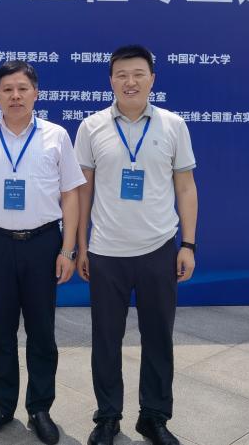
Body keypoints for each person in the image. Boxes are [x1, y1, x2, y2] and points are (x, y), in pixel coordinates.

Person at [74, 45, 199, 445]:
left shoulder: (173, 125)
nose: (130, 82)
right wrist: (81, 246)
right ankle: (108, 417)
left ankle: (154, 416)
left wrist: (188, 244)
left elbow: (186, 187)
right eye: (122, 75)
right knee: (105, 340)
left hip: (158, 249)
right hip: (106, 252)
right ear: (111, 80)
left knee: (158, 338)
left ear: (152, 79)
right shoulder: (91, 127)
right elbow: (82, 190)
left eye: (138, 74)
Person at [0, 61, 85, 444]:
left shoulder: (56, 136)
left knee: (41, 331)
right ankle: (1, 405)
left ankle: (40, 408)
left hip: (44, 244)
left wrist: (68, 249)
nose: (15, 96)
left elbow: (71, 194)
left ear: (36, 93)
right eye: (7, 89)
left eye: (22, 88)